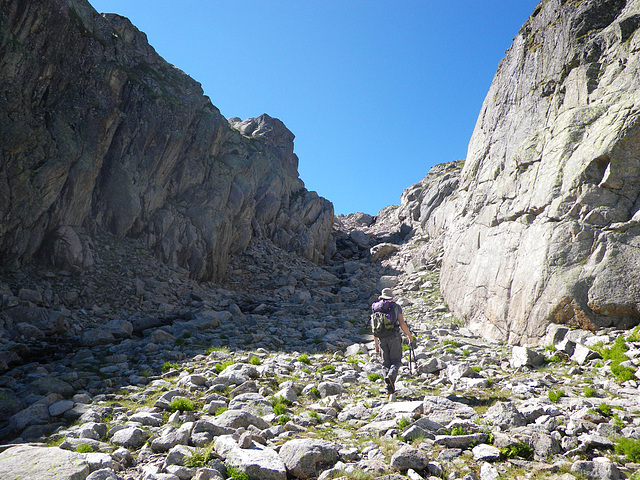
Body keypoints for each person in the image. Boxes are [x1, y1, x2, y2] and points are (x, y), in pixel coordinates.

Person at [372, 288, 414, 401]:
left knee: (385, 363)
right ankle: (390, 377)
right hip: (394, 337)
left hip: (381, 338)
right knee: (396, 361)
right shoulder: (396, 307)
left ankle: (389, 391)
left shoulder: (375, 307)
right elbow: (401, 323)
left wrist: (376, 344)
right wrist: (409, 336)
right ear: (392, 297)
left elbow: (374, 327)